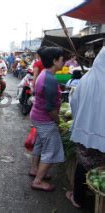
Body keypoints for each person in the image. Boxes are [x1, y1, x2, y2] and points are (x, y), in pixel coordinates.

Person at [66, 47, 105, 208]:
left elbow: (73, 103)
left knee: (84, 163)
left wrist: (79, 120)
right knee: (101, 169)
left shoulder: (86, 78)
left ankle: (78, 198)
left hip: (84, 131)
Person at [29, 47, 65, 192]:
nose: (64, 62)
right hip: (44, 119)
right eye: (62, 59)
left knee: (39, 143)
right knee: (51, 149)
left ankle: (34, 169)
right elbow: (50, 108)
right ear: (55, 61)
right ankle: (38, 181)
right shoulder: (49, 79)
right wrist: (58, 121)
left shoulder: (44, 73)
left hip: (37, 115)